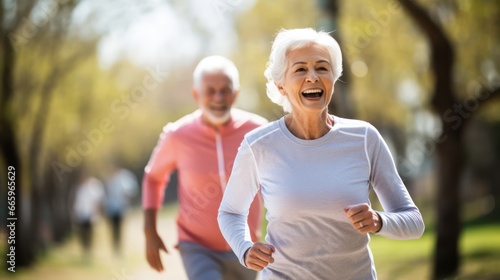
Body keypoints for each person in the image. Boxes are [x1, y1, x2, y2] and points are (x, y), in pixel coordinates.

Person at [218, 28, 425, 279]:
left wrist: (379, 221)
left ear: (334, 79)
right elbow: (230, 211)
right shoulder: (259, 145)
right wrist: (245, 248)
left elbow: (413, 221)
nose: (313, 77)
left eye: (322, 68)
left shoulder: (364, 138)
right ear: (280, 85)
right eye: (300, 69)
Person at [142, 55, 267, 280]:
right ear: (196, 95)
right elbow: (153, 178)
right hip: (197, 246)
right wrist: (149, 230)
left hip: (246, 246)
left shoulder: (257, 131)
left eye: (225, 90)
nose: (218, 98)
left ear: (236, 94)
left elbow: (279, 177)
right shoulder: (177, 135)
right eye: (210, 91)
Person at [104, 163, 139, 256]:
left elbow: (131, 190)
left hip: (121, 208)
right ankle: (115, 248)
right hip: (112, 208)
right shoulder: (110, 177)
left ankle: (119, 248)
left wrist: (126, 198)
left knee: (119, 229)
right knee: (113, 229)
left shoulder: (125, 176)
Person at [72, 169, 105, 262]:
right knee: (82, 235)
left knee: (89, 234)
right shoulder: (77, 187)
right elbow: (74, 201)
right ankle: (84, 251)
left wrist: (98, 213)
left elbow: (98, 201)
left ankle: (89, 252)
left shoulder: (93, 185)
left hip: (90, 215)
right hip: (80, 215)